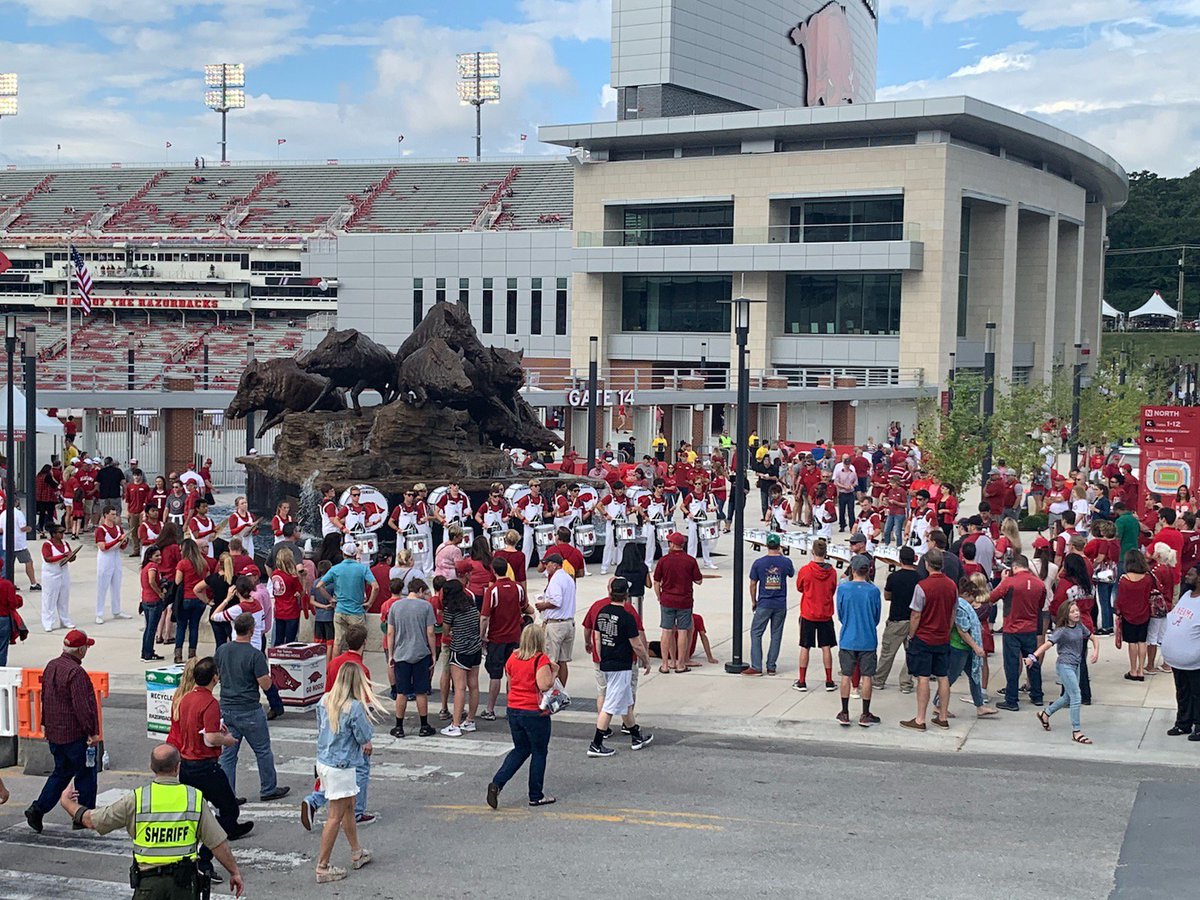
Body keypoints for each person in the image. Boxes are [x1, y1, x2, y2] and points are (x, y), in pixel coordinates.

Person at [58, 743, 245, 898]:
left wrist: (67, 803)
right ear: (178, 767)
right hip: (183, 886)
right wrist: (234, 872)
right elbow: (217, 843)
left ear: (152, 768)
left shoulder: (137, 799)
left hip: (148, 885)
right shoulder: (194, 799)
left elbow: (92, 820)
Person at [171, 657, 254, 879]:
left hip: (187, 766)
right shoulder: (210, 703)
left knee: (196, 812)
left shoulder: (186, 698)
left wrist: (216, 727)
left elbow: (197, 727)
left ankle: (192, 852)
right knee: (229, 809)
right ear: (215, 678)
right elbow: (210, 738)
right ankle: (204, 856)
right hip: (205, 767)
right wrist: (226, 739)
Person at [24, 629, 100, 833]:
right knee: (86, 774)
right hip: (75, 735)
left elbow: (45, 698)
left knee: (61, 773)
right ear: (81, 650)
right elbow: (82, 707)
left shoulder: (52, 666)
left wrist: (46, 724)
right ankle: (82, 817)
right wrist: (92, 732)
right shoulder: (76, 673)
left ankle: (38, 809)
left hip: (55, 734)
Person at [313, 662, 380, 883]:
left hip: (326, 761)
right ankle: (322, 866)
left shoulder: (324, 700)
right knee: (335, 816)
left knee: (349, 806)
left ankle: (356, 851)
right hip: (342, 765)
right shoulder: (354, 707)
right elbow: (363, 735)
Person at [215, 612, 290, 803]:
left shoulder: (222, 650)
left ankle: (227, 794)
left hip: (226, 706)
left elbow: (216, 675)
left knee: (228, 756)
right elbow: (265, 684)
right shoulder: (254, 655)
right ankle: (268, 787)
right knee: (262, 750)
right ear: (251, 630)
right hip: (249, 708)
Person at [487, 625, 558, 808]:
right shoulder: (540, 659)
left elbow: (511, 683)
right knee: (539, 751)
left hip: (514, 709)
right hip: (534, 711)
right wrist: (554, 672)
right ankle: (535, 795)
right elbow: (544, 685)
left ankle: (497, 782)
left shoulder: (513, 657)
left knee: (520, 749)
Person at [587, 581, 653, 757]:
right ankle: (596, 743)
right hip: (621, 666)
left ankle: (636, 735)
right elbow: (636, 644)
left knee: (625, 701)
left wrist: (602, 658)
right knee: (610, 706)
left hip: (606, 663)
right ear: (626, 594)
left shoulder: (602, 613)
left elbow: (597, 638)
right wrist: (646, 660)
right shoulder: (627, 616)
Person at [900, 548, 957, 731]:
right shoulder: (951, 586)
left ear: (926, 564)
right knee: (943, 676)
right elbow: (953, 612)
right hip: (942, 636)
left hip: (924, 636)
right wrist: (947, 630)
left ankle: (920, 719)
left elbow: (916, 614)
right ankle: (942, 716)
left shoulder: (922, 586)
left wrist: (911, 635)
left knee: (922, 677)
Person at [1029, 600, 1100, 745]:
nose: (1076, 614)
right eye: (1073, 611)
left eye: (1077, 611)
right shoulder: (1061, 631)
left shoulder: (1080, 626)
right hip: (1065, 665)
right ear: (1066, 615)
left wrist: (1096, 652)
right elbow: (1047, 645)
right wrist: (1033, 657)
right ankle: (1076, 731)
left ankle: (1045, 713)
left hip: (1076, 665)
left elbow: (1093, 637)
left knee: (1067, 697)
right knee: (1076, 696)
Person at [988, 554, 1048, 712]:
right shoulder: (1039, 584)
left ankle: (1012, 699)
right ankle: (1037, 695)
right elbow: (1040, 605)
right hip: (1030, 628)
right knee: (1033, 662)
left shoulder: (1009, 582)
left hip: (1012, 628)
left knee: (1012, 665)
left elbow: (992, 598)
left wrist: (1002, 580)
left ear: (1014, 567)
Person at [385, 578, 437, 738]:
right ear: (420, 590)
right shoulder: (426, 607)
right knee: (421, 691)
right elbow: (430, 632)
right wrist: (433, 653)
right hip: (420, 653)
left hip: (401, 654)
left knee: (402, 692)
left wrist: (391, 654)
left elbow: (390, 632)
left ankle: (399, 727)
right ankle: (424, 725)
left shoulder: (395, 606)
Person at [835, 555, 882, 727]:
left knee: (846, 675)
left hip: (848, 637)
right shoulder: (873, 591)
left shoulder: (843, 589)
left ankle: (845, 711)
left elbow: (840, 613)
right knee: (867, 676)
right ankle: (865, 713)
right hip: (867, 638)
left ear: (852, 569)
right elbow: (876, 616)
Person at [481, 558, 530, 720]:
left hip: (497, 638)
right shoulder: (518, 588)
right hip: (515, 637)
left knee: (495, 675)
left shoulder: (493, 590)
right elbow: (524, 606)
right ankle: (512, 708)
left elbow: (484, 617)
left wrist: (482, 636)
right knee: (512, 674)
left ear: (494, 571)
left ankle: (490, 709)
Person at [946, 574, 997, 718]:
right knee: (951, 677)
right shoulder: (961, 607)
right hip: (959, 647)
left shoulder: (962, 604)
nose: (973, 601)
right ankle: (938, 704)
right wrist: (976, 647)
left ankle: (980, 706)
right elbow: (963, 631)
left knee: (974, 676)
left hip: (965, 648)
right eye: (972, 597)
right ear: (966, 594)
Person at [652, 533, 703, 675]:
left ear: (672, 544)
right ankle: (681, 664)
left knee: (666, 631)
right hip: (685, 600)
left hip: (667, 599)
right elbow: (698, 580)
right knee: (682, 632)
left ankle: (665, 665)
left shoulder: (663, 560)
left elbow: (656, 582)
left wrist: (659, 596)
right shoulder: (690, 561)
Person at [746, 533, 794, 676]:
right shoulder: (786, 562)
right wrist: (783, 556)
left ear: (766, 545)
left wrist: (754, 601)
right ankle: (771, 666)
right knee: (776, 634)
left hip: (764, 602)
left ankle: (756, 665)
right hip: (780, 603)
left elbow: (753, 584)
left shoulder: (759, 563)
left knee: (756, 632)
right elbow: (791, 573)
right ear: (779, 546)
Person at [793, 537, 838, 692]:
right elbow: (833, 589)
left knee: (805, 646)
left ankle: (802, 680)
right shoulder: (832, 572)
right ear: (826, 553)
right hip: (825, 613)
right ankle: (829, 680)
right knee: (826, 647)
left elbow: (800, 587)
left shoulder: (805, 570)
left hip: (808, 612)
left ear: (813, 552)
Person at [318, 539, 378, 653]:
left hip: (340, 610)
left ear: (343, 554)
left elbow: (319, 585)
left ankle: (335, 669)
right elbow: (376, 587)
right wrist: (369, 603)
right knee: (359, 643)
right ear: (355, 554)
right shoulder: (362, 568)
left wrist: (331, 599)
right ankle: (357, 668)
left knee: (338, 642)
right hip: (356, 611)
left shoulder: (335, 569)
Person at [1162, 567, 1200, 739]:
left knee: (1197, 694)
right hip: (1178, 661)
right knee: (1182, 692)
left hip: (1195, 661)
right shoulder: (1186, 596)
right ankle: (1183, 723)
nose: (1187, 576)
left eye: (1191, 574)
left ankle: (1199, 726)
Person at [441, 579, 482, 736]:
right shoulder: (472, 608)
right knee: (474, 686)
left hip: (459, 650)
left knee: (459, 687)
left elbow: (446, 631)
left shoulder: (451, 610)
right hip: (475, 649)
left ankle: (455, 724)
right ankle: (470, 720)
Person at [876, 545, 917, 693]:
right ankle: (906, 682)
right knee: (911, 653)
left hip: (896, 619)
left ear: (899, 560)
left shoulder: (894, 577)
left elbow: (887, 596)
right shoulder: (920, 578)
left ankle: (879, 680)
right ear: (914, 559)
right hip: (914, 620)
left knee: (888, 653)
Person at [536, 553, 578, 686]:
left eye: (547, 564)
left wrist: (543, 605)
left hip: (556, 625)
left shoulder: (555, 580)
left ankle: (550, 690)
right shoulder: (568, 578)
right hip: (568, 623)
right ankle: (561, 690)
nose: (546, 567)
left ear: (555, 565)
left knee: (550, 661)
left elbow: (556, 601)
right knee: (563, 661)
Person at [1115, 549, 1153, 682]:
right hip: (1144, 613)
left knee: (1132, 642)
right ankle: (1142, 670)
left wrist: (1118, 612)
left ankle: (1133, 670)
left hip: (1128, 614)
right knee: (1142, 641)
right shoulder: (1148, 578)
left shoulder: (1124, 579)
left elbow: (1120, 599)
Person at [174, 539, 214, 664]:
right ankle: (192, 654)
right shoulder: (203, 563)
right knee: (194, 626)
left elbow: (177, 581)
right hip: (200, 599)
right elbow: (207, 581)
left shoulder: (183, 563)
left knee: (181, 626)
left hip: (186, 598)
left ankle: (178, 654)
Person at [94, 505, 130, 624]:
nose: (115, 517)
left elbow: (122, 547)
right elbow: (102, 547)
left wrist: (125, 541)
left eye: (115, 514)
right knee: (102, 586)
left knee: (117, 584)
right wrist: (117, 541)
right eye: (112, 514)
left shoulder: (119, 529)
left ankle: (117, 610)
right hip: (105, 559)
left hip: (116, 557)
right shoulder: (101, 529)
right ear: (106, 515)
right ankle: (99, 613)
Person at [39, 523, 77, 634]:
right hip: (50, 574)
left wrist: (71, 556)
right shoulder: (47, 545)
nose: (63, 534)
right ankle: (48, 622)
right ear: (54, 534)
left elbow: (70, 557)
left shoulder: (65, 544)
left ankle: (65, 620)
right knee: (49, 598)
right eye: (60, 532)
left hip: (64, 572)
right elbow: (48, 558)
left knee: (64, 597)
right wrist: (64, 556)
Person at [270, 547, 305, 646]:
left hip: (279, 611)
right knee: (290, 642)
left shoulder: (275, 574)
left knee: (278, 640)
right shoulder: (292, 578)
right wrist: (303, 579)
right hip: (291, 611)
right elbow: (302, 592)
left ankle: (276, 660)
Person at [140, 548, 167, 662]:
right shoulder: (153, 567)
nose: (159, 557)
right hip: (153, 600)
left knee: (148, 629)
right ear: (150, 557)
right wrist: (159, 592)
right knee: (151, 629)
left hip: (146, 599)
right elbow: (151, 581)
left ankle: (146, 652)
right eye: (156, 556)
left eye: (160, 555)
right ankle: (148, 654)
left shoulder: (144, 567)